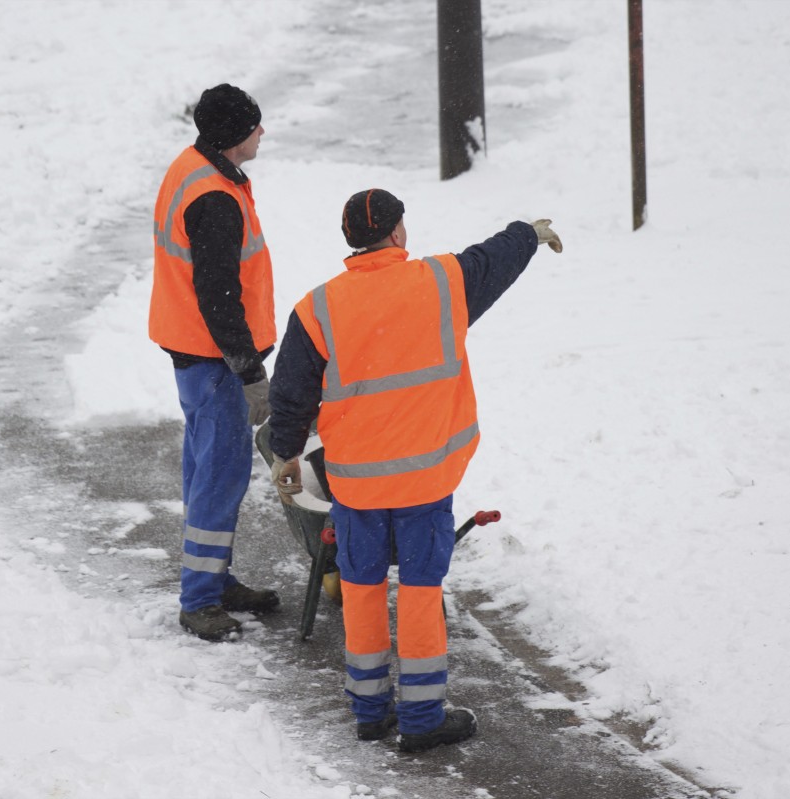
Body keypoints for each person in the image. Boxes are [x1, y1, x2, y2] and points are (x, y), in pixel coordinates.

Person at [267, 188, 562, 751]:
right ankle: (422, 718)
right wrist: (527, 233)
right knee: (422, 591)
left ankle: (370, 710)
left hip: (356, 483)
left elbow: (292, 391)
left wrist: (286, 453)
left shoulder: (318, 308)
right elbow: (491, 261)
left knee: (361, 586)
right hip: (424, 480)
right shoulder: (442, 283)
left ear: (350, 238)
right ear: (398, 232)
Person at [149, 83, 281, 641]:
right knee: (219, 478)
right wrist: (249, 371)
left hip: (193, 348)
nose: (262, 132)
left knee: (206, 471)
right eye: (254, 126)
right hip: (214, 360)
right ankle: (200, 599)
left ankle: (215, 579)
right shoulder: (215, 199)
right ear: (231, 137)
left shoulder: (195, 167)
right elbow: (219, 298)